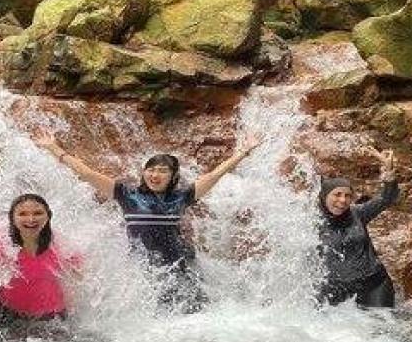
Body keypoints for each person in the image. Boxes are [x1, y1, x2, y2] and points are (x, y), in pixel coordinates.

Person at [32, 128, 261, 310]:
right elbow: (87, 173)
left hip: (181, 266)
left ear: (173, 176)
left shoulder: (182, 196)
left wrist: (244, 151)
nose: (155, 175)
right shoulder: (126, 195)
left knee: (192, 317)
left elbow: (215, 175)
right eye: (150, 170)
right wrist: (53, 148)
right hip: (144, 271)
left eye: (162, 171)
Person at [316, 147, 401, 308]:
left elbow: (387, 198)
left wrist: (389, 172)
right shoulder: (311, 221)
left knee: (383, 329)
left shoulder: (358, 213)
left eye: (348, 196)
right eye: (337, 194)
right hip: (335, 289)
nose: (343, 200)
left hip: (373, 285)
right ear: (324, 196)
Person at [0, 193, 80, 327]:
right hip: (6, 314)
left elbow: (76, 283)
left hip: (51, 318)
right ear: (12, 218)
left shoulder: (62, 247)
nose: (31, 219)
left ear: (48, 216)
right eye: (23, 214)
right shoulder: (1, 244)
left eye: (38, 213)